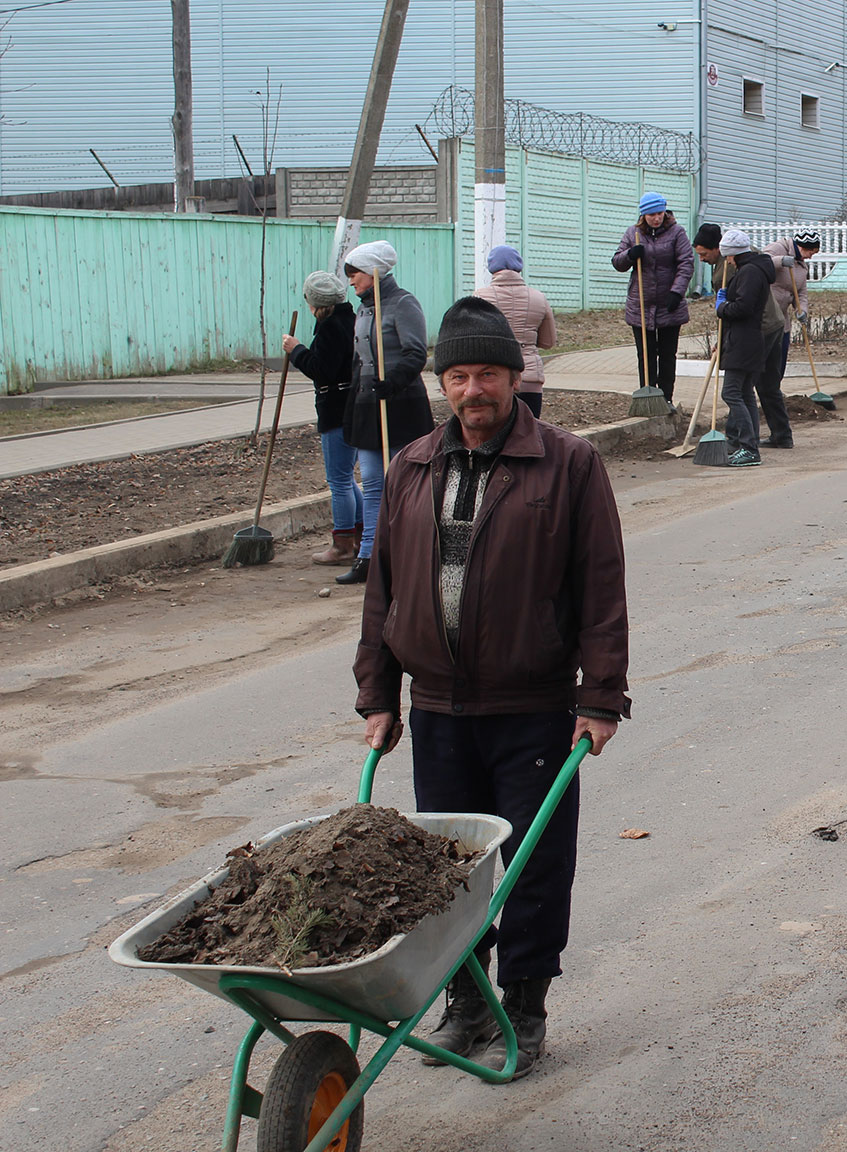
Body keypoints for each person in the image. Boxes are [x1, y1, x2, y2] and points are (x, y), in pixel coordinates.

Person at [355, 295, 629, 1081]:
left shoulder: (568, 464)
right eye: (459, 376)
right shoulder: (412, 465)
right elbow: (385, 589)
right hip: (436, 707)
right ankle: (465, 1002)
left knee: (533, 865)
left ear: (515, 379)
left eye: (489, 375)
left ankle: (525, 1003)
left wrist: (599, 697)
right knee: (449, 869)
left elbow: (601, 588)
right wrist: (378, 694)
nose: (474, 391)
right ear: (443, 384)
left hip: (533, 706)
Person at [337, 240, 433, 586]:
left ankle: (409, 555)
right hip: (368, 406)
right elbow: (357, 361)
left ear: (374, 272)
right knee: (374, 483)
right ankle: (368, 557)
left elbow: (416, 352)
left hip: (400, 406)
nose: (351, 281)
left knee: (403, 483)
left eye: (355, 274)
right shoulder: (363, 309)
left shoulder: (403, 303)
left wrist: (391, 382)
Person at [284, 271, 360, 565]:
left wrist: (296, 351)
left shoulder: (330, 327)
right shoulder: (351, 319)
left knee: (339, 480)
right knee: (347, 478)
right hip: (351, 406)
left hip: (336, 410)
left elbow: (321, 369)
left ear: (313, 302)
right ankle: (365, 537)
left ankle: (343, 545)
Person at [700, 228, 784, 466]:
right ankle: (750, 445)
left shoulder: (749, 272)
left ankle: (748, 448)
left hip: (744, 341)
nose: (726, 260)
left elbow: (743, 308)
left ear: (733, 254)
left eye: (727, 255)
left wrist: (722, 307)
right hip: (747, 339)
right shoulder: (752, 270)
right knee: (745, 392)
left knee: (732, 392)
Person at [611, 192, 695, 405]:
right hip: (641, 304)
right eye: (651, 215)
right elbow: (617, 262)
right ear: (643, 216)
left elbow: (686, 263)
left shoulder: (677, 233)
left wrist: (677, 292)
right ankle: (648, 398)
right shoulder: (634, 233)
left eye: (659, 213)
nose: (656, 218)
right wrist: (630, 255)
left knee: (667, 355)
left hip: (669, 304)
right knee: (646, 356)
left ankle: (666, 398)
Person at [474, 245, 557, 418]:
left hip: (494, 378)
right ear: (519, 265)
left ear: (492, 267)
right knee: (529, 434)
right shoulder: (538, 298)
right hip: (529, 377)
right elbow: (548, 342)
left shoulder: (480, 297)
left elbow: (474, 340)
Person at [762, 229, 822, 446]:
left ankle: (776, 424)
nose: (811, 256)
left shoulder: (801, 265)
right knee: (765, 374)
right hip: (766, 318)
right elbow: (761, 263)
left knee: (777, 371)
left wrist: (802, 310)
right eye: (810, 251)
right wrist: (780, 261)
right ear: (801, 246)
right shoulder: (780, 248)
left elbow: (802, 292)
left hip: (783, 324)